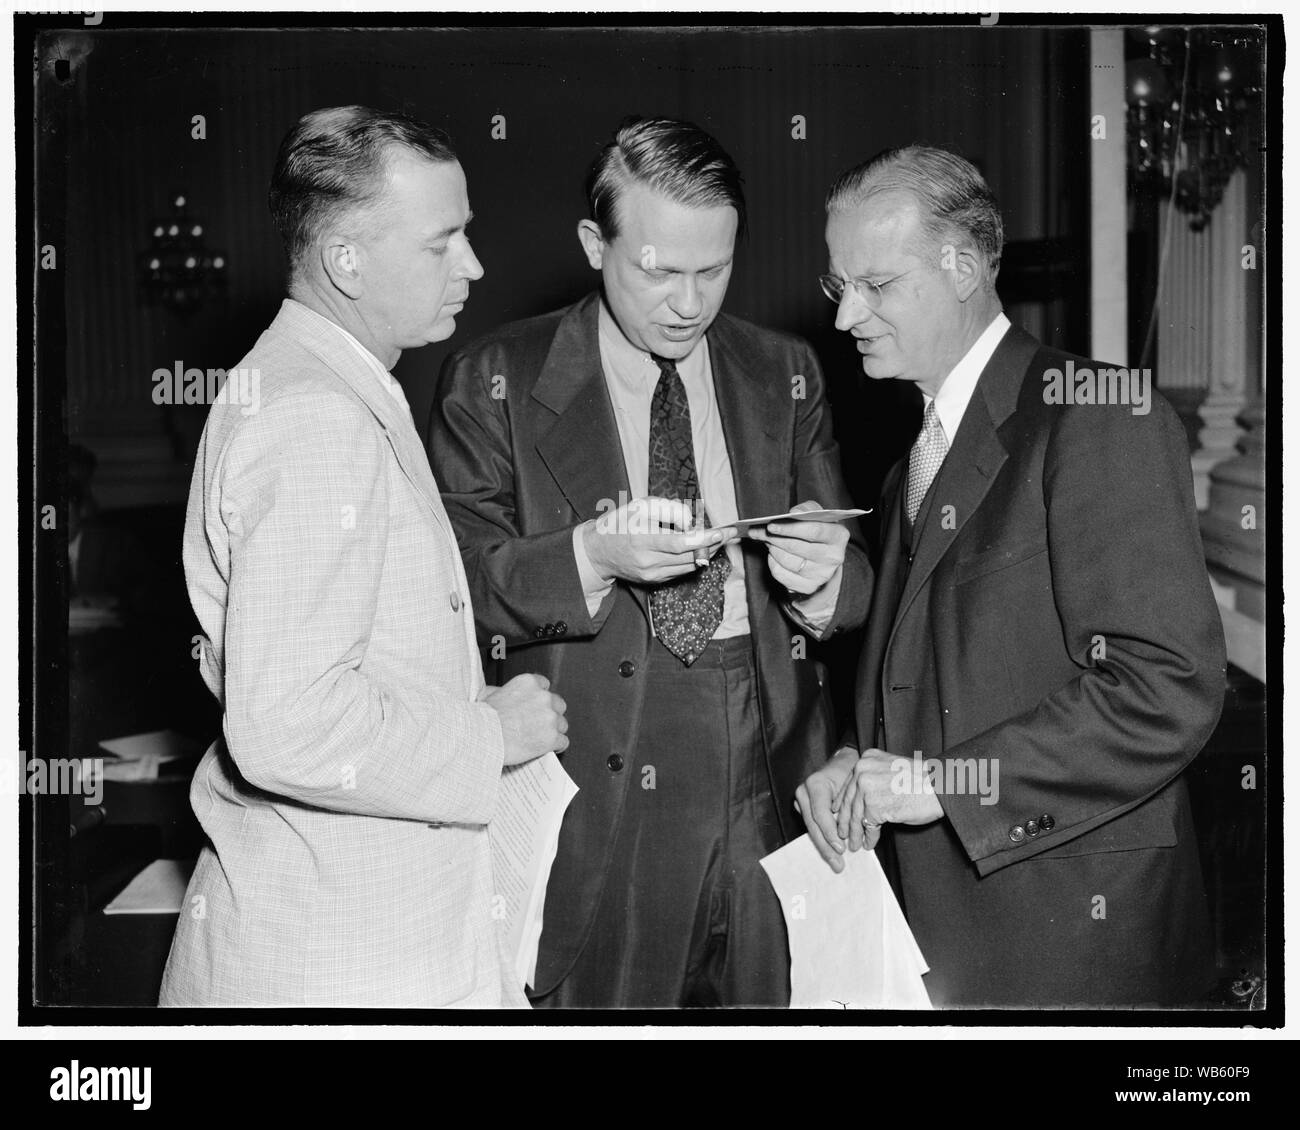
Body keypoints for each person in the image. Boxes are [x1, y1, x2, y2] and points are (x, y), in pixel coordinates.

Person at [428, 116, 872, 1007]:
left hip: (771, 760)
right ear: (597, 243)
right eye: (659, 270)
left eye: (714, 270)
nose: (689, 303)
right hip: (597, 770)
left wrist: (827, 578)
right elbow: (458, 587)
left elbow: (859, 583)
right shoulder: (496, 378)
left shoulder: (786, 371)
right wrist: (591, 554)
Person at [797, 145, 1226, 1007]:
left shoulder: (1100, 414)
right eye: (838, 288)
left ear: (964, 268)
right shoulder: (908, 464)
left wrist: (937, 783)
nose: (847, 319)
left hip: (1072, 941)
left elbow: (1165, 687)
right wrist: (860, 761)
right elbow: (931, 671)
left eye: (875, 285)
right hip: (949, 929)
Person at [159, 105, 567, 1007]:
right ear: (346, 260)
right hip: (338, 959)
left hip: (361, 931)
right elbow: (289, 725)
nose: (474, 264)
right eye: (443, 241)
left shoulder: (323, 382)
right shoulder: (315, 418)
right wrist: (491, 735)